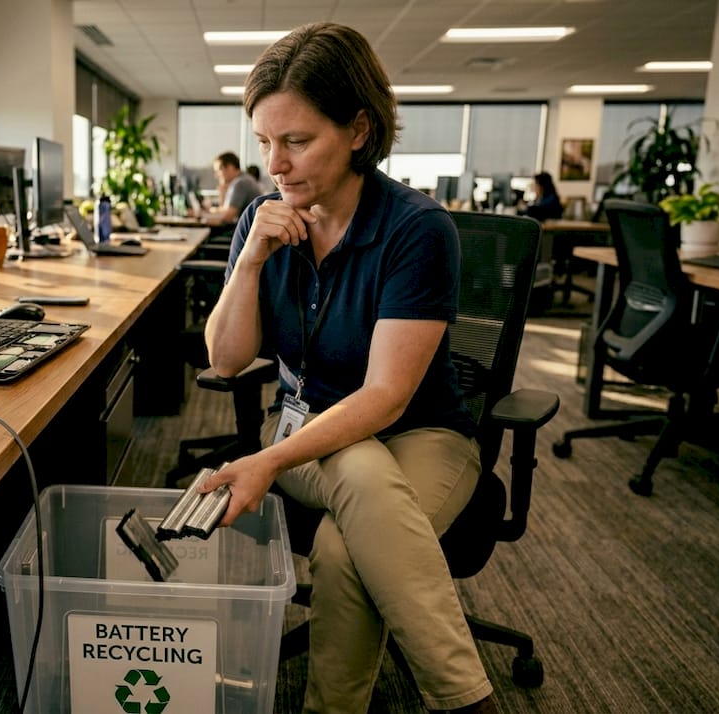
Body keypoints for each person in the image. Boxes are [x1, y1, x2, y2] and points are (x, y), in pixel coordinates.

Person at [198, 22, 495, 714]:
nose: (276, 164)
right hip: (309, 439)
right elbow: (225, 357)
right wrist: (249, 262)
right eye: (265, 142)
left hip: (424, 437)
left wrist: (265, 464)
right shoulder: (264, 218)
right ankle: (467, 700)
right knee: (355, 469)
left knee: (340, 549)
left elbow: (389, 396)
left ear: (359, 130)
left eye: (297, 141)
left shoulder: (416, 230)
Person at [204, 151, 262, 226]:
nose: (216, 176)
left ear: (230, 167)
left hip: (243, 232)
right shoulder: (243, 179)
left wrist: (202, 218)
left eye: (219, 170)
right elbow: (225, 209)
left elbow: (228, 217)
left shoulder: (240, 183)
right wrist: (222, 190)